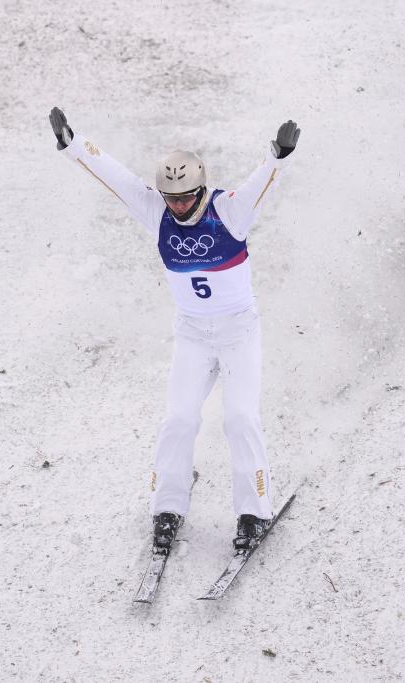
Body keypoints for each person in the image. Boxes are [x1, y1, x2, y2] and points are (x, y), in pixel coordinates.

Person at [49, 106, 300, 552]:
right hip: (192, 334)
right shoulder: (158, 212)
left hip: (238, 332)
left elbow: (262, 183)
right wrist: (73, 144)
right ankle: (167, 506)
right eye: (171, 198)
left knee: (240, 418)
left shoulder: (229, 211)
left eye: (185, 198)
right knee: (180, 419)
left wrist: (278, 155)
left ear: (201, 189)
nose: (178, 206)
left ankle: (254, 511)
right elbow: (117, 178)